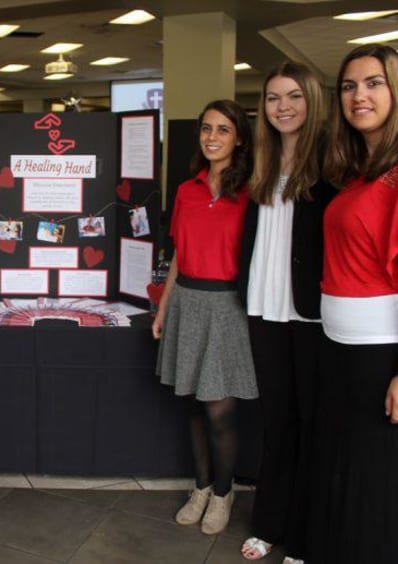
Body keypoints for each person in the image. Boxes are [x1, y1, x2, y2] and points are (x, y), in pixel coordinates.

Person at [236, 62, 335, 563]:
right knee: (277, 424)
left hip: (313, 314)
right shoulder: (261, 164)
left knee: (313, 425)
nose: (283, 107)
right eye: (273, 98)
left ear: (312, 101)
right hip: (263, 310)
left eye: (293, 96)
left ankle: (304, 534)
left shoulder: (333, 164)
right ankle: (269, 523)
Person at [306, 43, 398, 564]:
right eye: (349, 86)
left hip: (378, 349)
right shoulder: (360, 171)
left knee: (374, 478)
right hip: (339, 343)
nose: (358, 95)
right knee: (347, 468)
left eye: (373, 83)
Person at [153, 99, 256, 536]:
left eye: (223, 130)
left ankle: (222, 492)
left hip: (228, 307)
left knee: (220, 412)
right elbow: (177, 255)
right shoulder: (186, 189)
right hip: (187, 301)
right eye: (206, 129)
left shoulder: (252, 190)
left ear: (239, 138)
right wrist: (163, 307)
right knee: (193, 406)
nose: (212, 138)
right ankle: (199, 488)